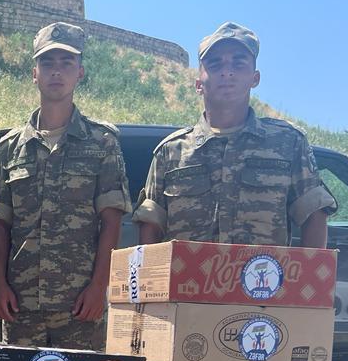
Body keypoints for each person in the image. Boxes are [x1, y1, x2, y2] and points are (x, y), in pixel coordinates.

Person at [133, 21, 336, 248]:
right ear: (198, 83)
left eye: (238, 63)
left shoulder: (288, 143)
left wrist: (306, 270)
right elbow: (150, 225)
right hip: (187, 273)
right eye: (215, 63)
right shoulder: (171, 152)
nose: (227, 71)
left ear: (255, 78)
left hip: (264, 271)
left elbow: (314, 213)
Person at [0, 22, 130, 349]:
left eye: (66, 63)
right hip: (21, 303)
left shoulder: (102, 142)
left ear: (80, 72)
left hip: (80, 304)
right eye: (47, 62)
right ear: (34, 73)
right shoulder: (11, 147)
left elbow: (111, 222)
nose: (56, 71)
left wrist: (99, 287)